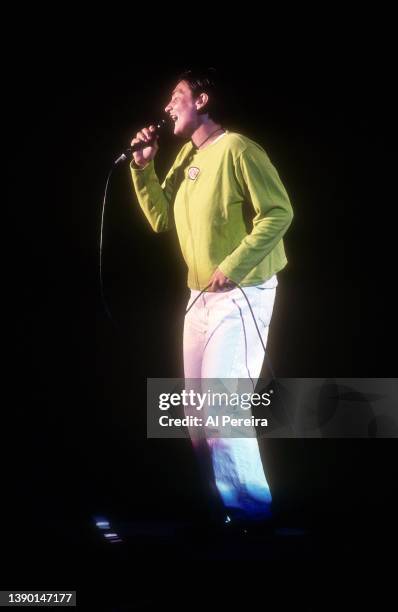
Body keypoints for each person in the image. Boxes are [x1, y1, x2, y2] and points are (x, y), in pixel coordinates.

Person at [130, 68, 293, 528]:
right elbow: (162, 220)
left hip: (243, 292)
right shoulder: (184, 157)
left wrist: (233, 265)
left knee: (223, 413)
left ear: (201, 100)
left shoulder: (238, 148)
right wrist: (144, 169)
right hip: (198, 297)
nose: (166, 107)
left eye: (175, 96)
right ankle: (224, 515)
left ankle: (254, 521)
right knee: (196, 422)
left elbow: (279, 212)